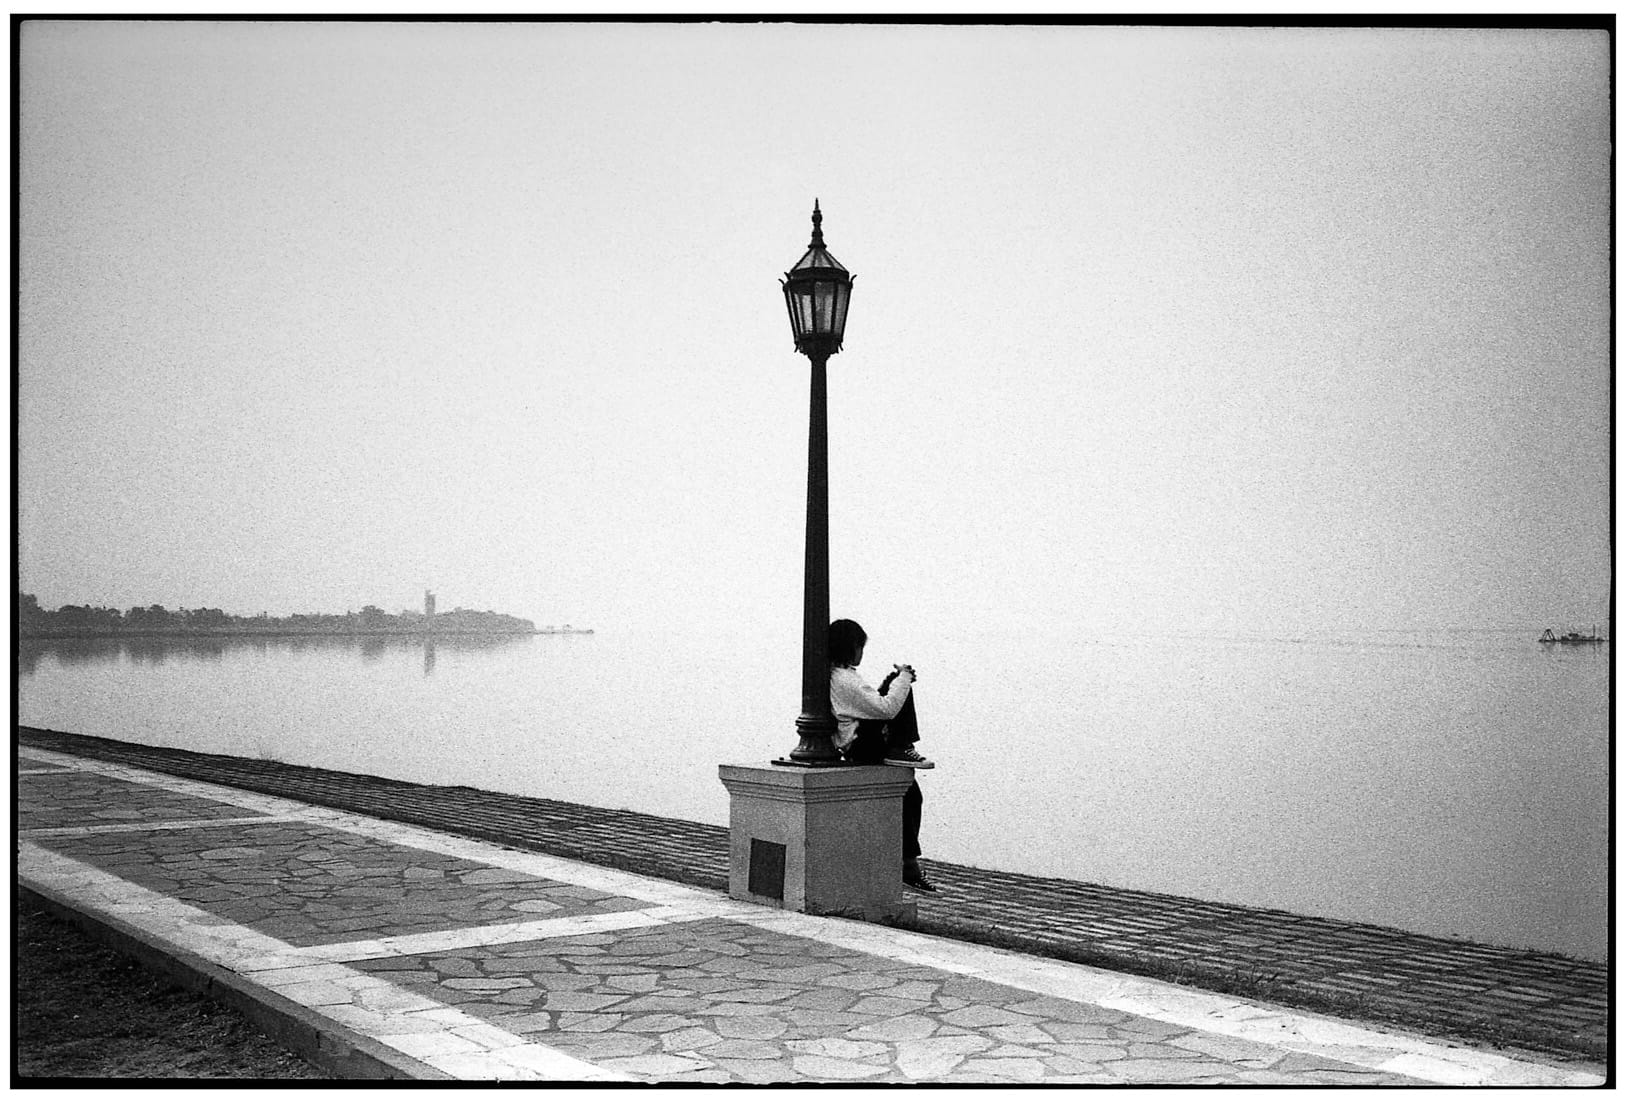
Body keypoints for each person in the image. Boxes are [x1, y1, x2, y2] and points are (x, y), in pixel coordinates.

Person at [828, 617, 938, 893]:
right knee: (910, 795)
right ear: (851, 647)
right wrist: (904, 679)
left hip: (858, 740)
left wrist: (898, 680)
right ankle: (908, 866)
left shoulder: (836, 676)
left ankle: (907, 864)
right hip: (863, 745)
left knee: (909, 794)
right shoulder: (844, 680)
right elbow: (886, 709)